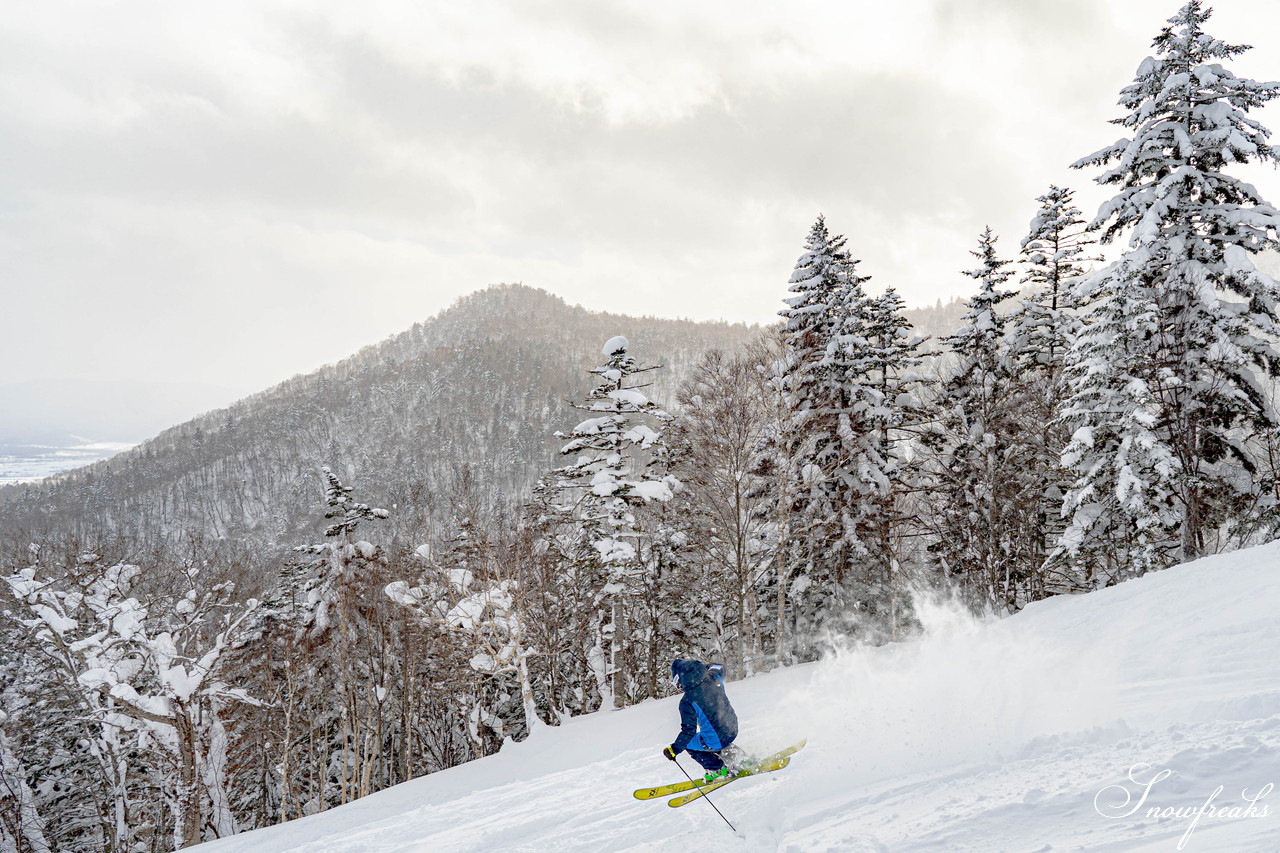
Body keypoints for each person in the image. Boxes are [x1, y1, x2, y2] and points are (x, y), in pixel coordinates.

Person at [662, 658, 740, 782]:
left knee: (690, 744)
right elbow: (718, 666)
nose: (678, 687)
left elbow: (688, 732)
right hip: (733, 728)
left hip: (717, 739)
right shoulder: (714, 677)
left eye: (676, 683)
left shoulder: (687, 701)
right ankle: (737, 758)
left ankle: (716, 769)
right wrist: (701, 669)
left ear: (680, 680)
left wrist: (674, 750)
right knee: (711, 736)